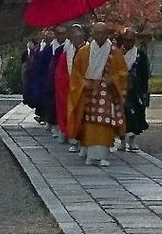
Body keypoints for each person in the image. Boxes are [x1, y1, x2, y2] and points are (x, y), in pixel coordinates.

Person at [68, 22, 128, 167]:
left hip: (106, 92)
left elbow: (123, 72)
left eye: (103, 32)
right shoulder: (84, 52)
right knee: (88, 121)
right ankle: (89, 152)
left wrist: (113, 79)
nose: (100, 35)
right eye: (97, 32)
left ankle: (103, 155)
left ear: (107, 33)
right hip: (88, 91)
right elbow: (75, 74)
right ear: (92, 34)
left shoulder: (115, 53)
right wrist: (83, 83)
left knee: (105, 121)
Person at [119, 28, 150, 153]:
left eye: (131, 40)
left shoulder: (139, 54)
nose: (129, 43)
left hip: (135, 89)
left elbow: (144, 73)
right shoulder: (117, 53)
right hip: (120, 88)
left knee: (135, 114)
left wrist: (144, 90)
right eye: (126, 40)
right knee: (121, 114)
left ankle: (132, 141)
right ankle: (121, 140)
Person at [55, 25, 86, 150]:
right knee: (69, 113)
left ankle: (81, 141)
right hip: (69, 87)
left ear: (83, 36)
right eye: (73, 36)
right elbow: (59, 73)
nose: (76, 39)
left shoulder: (88, 50)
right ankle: (69, 134)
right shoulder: (66, 52)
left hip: (84, 87)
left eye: (79, 36)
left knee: (83, 116)